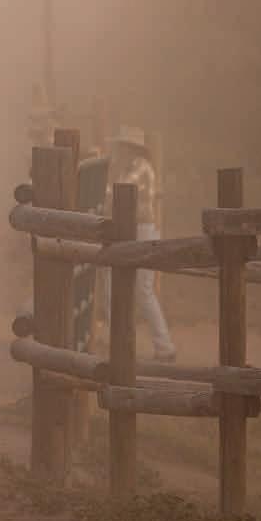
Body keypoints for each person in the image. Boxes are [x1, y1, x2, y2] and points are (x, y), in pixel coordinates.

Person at [105, 126, 177, 362]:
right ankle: (124, 343)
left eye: (121, 147)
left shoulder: (139, 167)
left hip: (142, 230)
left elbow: (117, 194)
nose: (118, 151)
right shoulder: (129, 167)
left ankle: (164, 346)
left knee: (142, 291)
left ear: (130, 149)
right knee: (118, 288)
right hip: (132, 230)